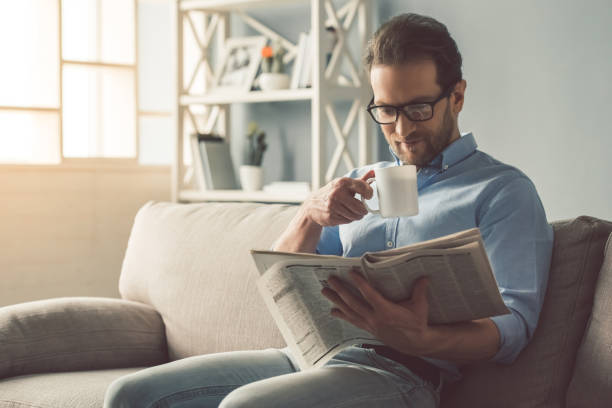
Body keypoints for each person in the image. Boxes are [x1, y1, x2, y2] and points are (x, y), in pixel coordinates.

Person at [104, 13, 553, 408]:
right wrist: (308, 214)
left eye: (418, 108)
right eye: (387, 110)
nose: (401, 130)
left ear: (456, 96)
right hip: (306, 355)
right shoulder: (362, 178)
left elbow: (513, 326)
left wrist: (422, 339)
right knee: (131, 395)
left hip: (400, 374)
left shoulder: (502, 191)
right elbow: (276, 280)